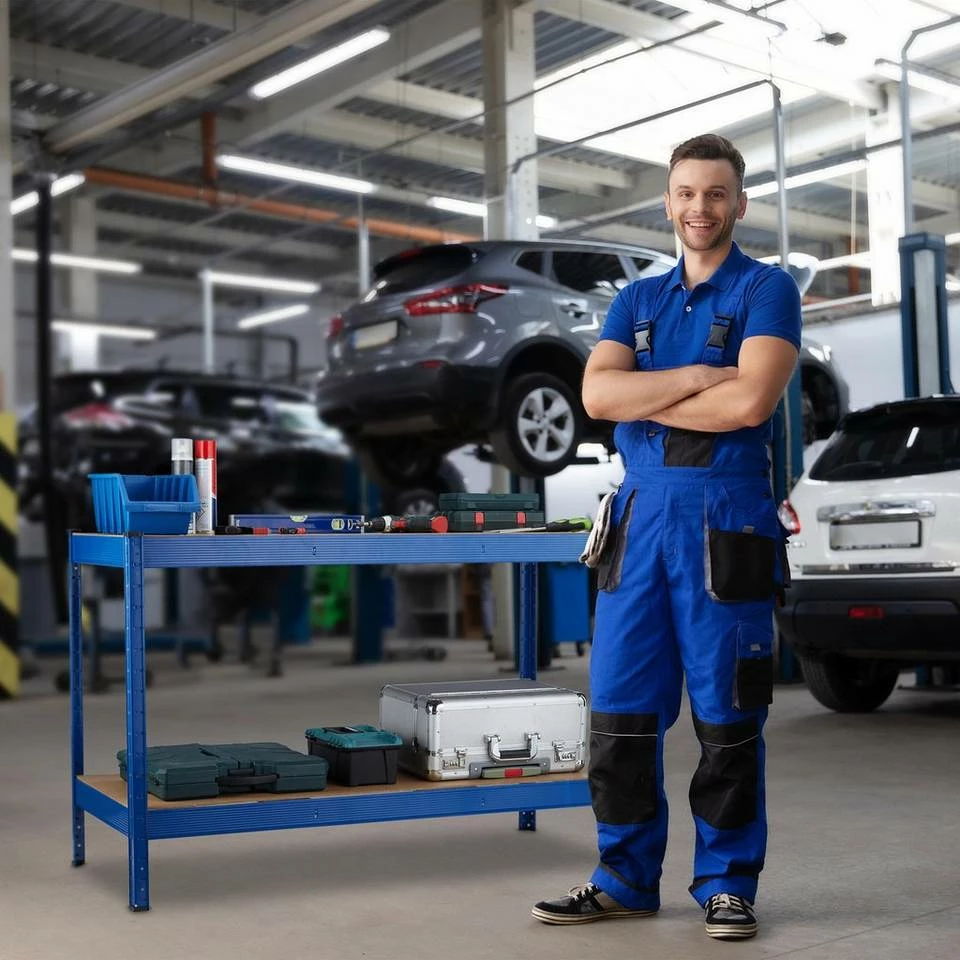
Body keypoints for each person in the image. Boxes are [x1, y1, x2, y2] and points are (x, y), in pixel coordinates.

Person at [531, 133, 800, 941]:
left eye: (715, 193)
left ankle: (727, 884)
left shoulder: (766, 289)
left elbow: (749, 405)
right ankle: (623, 878)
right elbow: (597, 398)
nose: (699, 208)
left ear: (739, 203)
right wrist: (696, 378)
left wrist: (646, 393)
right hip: (640, 521)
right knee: (618, 712)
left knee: (727, 717)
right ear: (668, 202)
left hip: (725, 522)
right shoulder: (637, 300)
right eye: (686, 193)